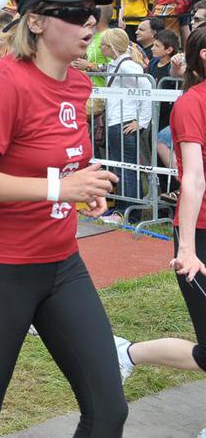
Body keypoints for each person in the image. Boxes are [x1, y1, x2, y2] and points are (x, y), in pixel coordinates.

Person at [0, 0, 127, 437]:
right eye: (76, 12)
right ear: (37, 22)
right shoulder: (8, 80)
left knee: (109, 410)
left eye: (93, 13)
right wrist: (60, 189)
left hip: (62, 265)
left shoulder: (78, 85)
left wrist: (86, 187)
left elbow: (58, 162)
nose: (90, 22)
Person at [112, 27, 206, 430]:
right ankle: (128, 354)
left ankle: (127, 354)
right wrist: (187, 248)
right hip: (200, 234)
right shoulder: (192, 103)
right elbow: (194, 180)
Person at [97, 28, 151, 226]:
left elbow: (148, 89)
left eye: (103, 45)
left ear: (112, 46)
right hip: (117, 120)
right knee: (121, 167)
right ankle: (123, 209)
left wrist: (142, 122)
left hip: (124, 121)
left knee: (127, 169)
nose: (101, 48)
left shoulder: (128, 66)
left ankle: (128, 213)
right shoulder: (118, 64)